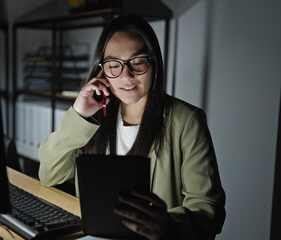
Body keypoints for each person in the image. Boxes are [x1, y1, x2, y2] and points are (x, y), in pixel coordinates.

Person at [38, 14, 225, 240]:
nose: (126, 76)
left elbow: (208, 209)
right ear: (102, 69)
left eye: (137, 62)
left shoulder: (187, 121)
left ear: (153, 62)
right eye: (114, 65)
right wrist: (79, 114)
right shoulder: (95, 116)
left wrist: (168, 225)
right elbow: (48, 174)